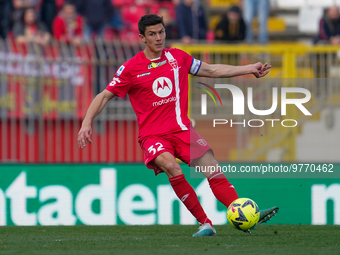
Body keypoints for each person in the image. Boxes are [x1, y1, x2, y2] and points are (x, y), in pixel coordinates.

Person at [77, 14, 278, 236]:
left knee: (211, 167)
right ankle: (205, 223)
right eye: (152, 34)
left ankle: (242, 212)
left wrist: (249, 68)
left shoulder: (178, 58)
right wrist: (87, 123)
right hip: (153, 136)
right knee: (171, 166)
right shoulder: (131, 68)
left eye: (161, 32)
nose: (158, 38)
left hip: (182, 129)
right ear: (142, 38)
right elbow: (103, 96)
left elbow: (211, 71)